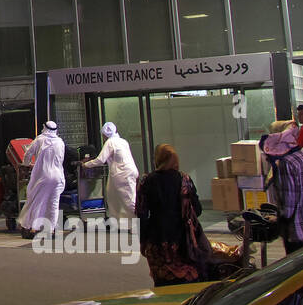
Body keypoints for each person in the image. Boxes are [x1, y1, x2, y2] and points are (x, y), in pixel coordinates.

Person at [135, 144, 212, 286]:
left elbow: (142, 215)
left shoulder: (146, 181)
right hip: (183, 241)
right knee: (187, 284)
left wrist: (142, 242)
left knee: (162, 285)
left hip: (157, 240)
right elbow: (198, 210)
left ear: (156, 160)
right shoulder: (184, 180)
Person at [261, 119, 303, 254]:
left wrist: (278, 218)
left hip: (301, 230)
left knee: (302, 273)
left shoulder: (286, 163)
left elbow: (289, 205)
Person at [18, 121, 66, 238]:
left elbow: (28, 154)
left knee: (37, 202)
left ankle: (33, 229)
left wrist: (26, 164)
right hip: (58, 177)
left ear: (44, 128)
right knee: (53, 204)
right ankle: (52, 230)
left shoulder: (40, 140)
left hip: (43, 176)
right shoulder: (60, 142)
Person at [85, 121, 140, 220]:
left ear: (105, 135)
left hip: (122, 174)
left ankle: (138, 225)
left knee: (128, 200)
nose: (103, 138)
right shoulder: (123, 141)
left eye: (103, 136)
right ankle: (118, 221)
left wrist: (86, 164)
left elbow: (100, 160)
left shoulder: (110, 142)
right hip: (126, 172)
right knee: (111, 195)